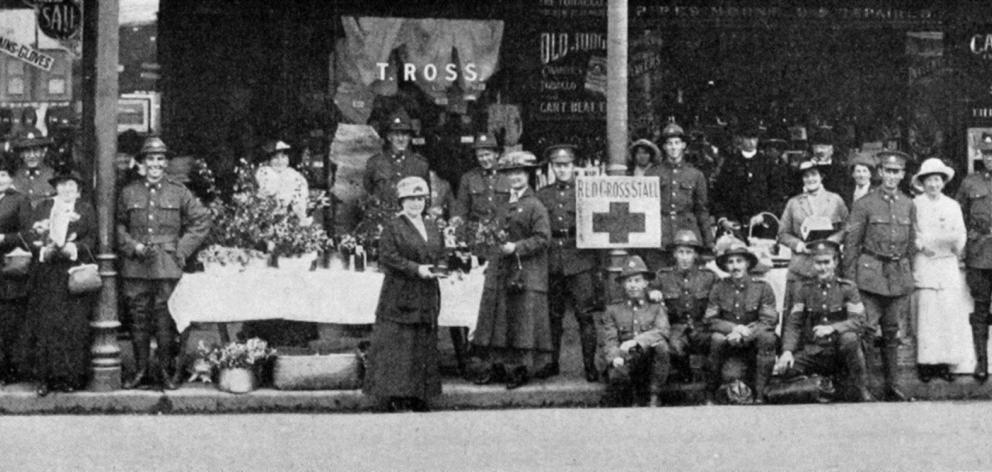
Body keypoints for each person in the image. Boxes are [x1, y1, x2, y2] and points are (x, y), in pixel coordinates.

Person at [117, 136, 211, 390]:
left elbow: (201, 221)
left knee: (165, 320)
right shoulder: (128, 192)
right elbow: (118, 225)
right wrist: (133, 246)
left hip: (167, 264)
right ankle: (140, 370)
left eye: (160, 159)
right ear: (142, 163)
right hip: (136, 265)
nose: (156, 164)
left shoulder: (179, 191)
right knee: (138, 319)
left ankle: (166, 371)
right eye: (151, 159)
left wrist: (182, 250)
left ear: (166, 163)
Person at [470, 150, 552, 390]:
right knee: (498, 319)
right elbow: (493, 232)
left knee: (521, 321)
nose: (515, 177)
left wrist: (515, 247)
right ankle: (496, 367)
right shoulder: (502, 204)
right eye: (511, 173)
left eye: (520, 173)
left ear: (528, 175)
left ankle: (519, 369)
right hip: (500, 270)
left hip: (524, 272)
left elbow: (543, 238)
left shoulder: (535, 206)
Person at [364, 176, 444, 412]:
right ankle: (396, 396)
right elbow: (388, 257)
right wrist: (416, 269)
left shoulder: (431, 225)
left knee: (422, 344)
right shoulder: (393, 226)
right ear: (401, 201)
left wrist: (440, 266)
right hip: (400, 294)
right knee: (399, 346)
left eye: (420, 199)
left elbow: (439, 252)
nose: (416, 204)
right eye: (411, 199)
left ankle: (420, 395)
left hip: (426, 293)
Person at [15, 170, 96, 396]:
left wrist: (74, 248)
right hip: (47, 275)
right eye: (62, 185)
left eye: (72, 185)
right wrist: (43, 249)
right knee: (47, 327)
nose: (67, 189)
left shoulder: (85, 209)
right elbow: (29, 236)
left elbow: (92, 238)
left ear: (78, 189)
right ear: (56, 188)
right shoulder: (43, 208)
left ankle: (71, 378)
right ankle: (44, 379)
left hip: (72, 274)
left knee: (73, 326)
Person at [843, 150, 915, 401]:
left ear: (903, 175)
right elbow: (851, 245)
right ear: (880, 173)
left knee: (892, 333)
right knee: (867, 331)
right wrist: (849, 281)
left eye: (897, 172)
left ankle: (892, 386)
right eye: (887, 171)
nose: (892, 176)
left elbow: (911, 246)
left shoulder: (908, 204)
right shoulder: (864, 204)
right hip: (870, 275)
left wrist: (908, 275)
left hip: (897, 276)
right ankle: (865, 387)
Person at [776, 240, 875, 402]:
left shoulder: (847, 288)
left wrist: (833, 328)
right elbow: (794, 324)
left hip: (840, 351)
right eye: (818, 263)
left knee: (849, 338)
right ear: (812, 264)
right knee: (786, 370)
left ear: (835, 262)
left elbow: (859, 321)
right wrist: (787, 351)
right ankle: (819, 386)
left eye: (826, 262)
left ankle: (861, 389)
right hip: (815, 351)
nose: (822, 268)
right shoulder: (805, 289)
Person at [536, 144, 601, 381]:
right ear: (552, 167)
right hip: (553, 259)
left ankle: (590, 366)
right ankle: (552, 362)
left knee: (585, 315)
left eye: (566, 165)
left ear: (574, 166)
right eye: (557, 166)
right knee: (553, 316)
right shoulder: (542, 195)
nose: (562, 170)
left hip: (580, 259)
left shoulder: (587, 191)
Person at [911, 158, 971, 382]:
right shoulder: (915, 204)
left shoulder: (952, 205)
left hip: (946, 264)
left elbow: (961, 233)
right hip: (925, 263)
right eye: (929, 180)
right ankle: (926, 365)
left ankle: (945, 363)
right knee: (927, 315)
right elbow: (912, 233)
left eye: (937, 180)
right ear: (923, 183)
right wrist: (922, 246)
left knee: (946, 314)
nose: (934, 185)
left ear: (943, 182)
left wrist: (956, 245)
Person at [704, 237, 778, 403]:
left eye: (739, 261)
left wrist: (746, 333)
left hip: (755, 345)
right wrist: (734, 329)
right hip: (731, 347)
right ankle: (710, 393)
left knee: (768, 337)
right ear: (725, 266)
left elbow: (769, 320)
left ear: (747, 264)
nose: (735, 266)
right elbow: (710, 319)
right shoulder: (719, 287)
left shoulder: (762, 287)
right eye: (730, 262)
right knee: (717, 341)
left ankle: (761, 394)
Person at [778, 160, 849, 316]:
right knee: (796, 314)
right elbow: (782, 233)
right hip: (801, 266)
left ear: (821, 176)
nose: (810, 179)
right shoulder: (794, 203)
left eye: (814, 174)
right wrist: (798, 245)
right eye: (806, 176)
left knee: (829, 312)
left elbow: (846, 227)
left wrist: (832, 242)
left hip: (828, 266)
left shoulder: (835, 200)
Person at [599, 255, 671, 407]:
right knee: (617, 380)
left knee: (661, 346)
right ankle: (632, 399)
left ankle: (654, 396)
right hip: (626, 359)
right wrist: (615, 357)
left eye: (637, 280)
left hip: (649, 360)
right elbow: (610, 339)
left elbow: (663, 330)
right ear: (624, 284)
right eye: (629, 281)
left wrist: (636, 342)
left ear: (646, 283)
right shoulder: (613, 310)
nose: (633, 285)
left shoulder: (656, 307)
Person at [648, 230, 716, 385]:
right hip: (676, 327)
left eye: (689, 252)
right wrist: (653, 292)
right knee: (675, 347)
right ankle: (684, 376)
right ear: (674, 254)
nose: (685, 257)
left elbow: (720, 296)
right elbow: (648, 291)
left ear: (696, 255)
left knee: (716, 343)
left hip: (702, 326)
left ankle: (710, 383)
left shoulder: (708, 276)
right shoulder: (663, 276)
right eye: (681, 252)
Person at [645, 122, 713, 270]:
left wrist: (709, 243)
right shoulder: (652, 173)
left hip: (687, 235)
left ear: (683, 145)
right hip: (660, 237)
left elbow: (702, 210)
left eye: (677, 143)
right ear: (663, 147)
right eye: (669, 143)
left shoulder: (695, 175)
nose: (673, 147)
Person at [955, 135, 992, 382]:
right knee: (980, 310)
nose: (991, 159)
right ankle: (982, 363)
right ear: (980, 156)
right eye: (987, 154)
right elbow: (959, 219)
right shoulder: (970, 184)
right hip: (979, 255)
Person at [712, 125, 785, 241]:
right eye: (748, 138)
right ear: (741, 139)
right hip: (734, 224)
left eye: (754, 138)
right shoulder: (729, 164)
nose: (751, 142)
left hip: (762, 226)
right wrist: (723, 219)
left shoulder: (767, 164)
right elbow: (719, 195)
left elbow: (777, 196)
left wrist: (764, 216)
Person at [363, 110, 430, 213]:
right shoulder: (375, 163)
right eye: (396, 135)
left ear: (410, 137)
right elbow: (368, 192)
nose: (401, 139)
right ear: (389, 137)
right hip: (384, 219)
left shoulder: (420, 164)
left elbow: (425, 198)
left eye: (405, 135)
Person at [0, 162, 31, 384]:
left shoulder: (18, 200)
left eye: (2, 174)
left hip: (8, 266)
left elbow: (26, 235)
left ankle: (8, 369)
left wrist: (3, 238)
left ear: (11, 178)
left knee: (9, 321)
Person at [451, 131, 507, 226]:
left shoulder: (507, 176)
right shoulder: (468, 178)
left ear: (496, 154)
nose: (484, 159)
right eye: (480, 156)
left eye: (487, 154)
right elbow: (462, 210)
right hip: (476, 233)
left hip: (503, 231)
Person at [255, 139, 308, 222]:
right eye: (275, 158)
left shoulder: (293, 174)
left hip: (290, 216)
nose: (280, 161)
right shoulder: (265, 172)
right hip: (268, 217)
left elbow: (300, 194)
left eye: (283, 157)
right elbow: (268, 191)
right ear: (269, 160)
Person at [11, 132, 55, 208]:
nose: (32, 156)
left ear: (43, 153)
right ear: (21, 154)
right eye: (27, 151)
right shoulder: (14, 177)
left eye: (36, 151)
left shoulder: (53, 175)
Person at [808, 127, 850, 196]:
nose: (818, 151)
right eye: (815, 147)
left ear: (832, 150)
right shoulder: (806, 169)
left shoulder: (841, 170)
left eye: (822, 147)